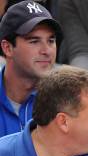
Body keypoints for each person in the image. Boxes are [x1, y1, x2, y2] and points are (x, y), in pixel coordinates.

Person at [0, 1, 61, 137]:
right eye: (34, 41)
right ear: (7, 48)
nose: (46, 51)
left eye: (51, 41)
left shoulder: (67, 100)